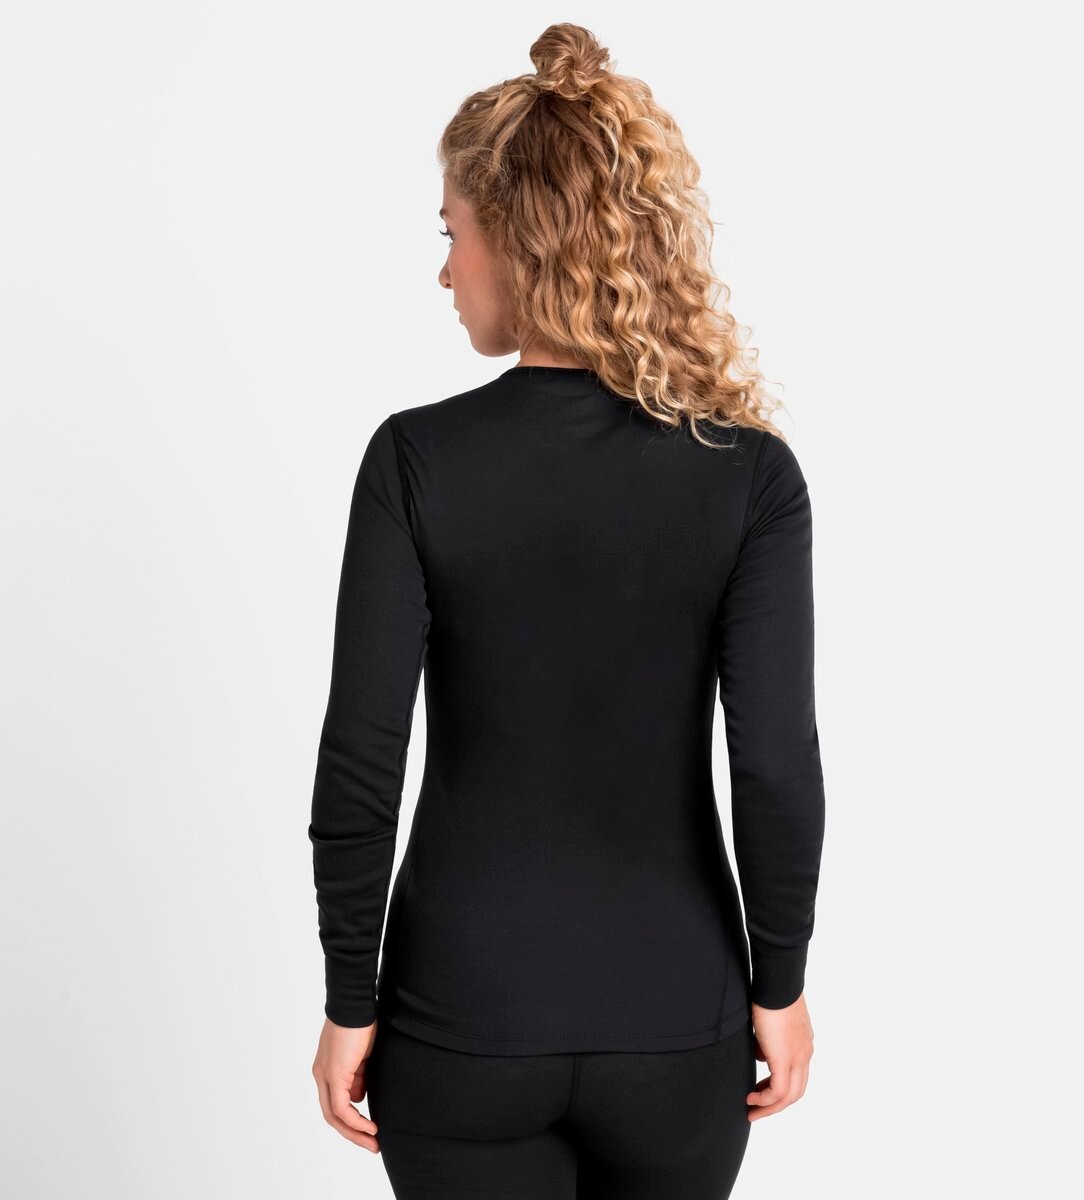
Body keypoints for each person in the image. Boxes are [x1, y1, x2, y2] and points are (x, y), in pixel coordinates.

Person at [308, 22, 826, 1200]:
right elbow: (776, 767)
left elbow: (359, 764)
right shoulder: (748, 475)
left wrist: (349, 1000)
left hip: (459, 1024)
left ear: (519, 238)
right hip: (678, 1029)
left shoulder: (415, 462)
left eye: (452, 234)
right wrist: (781, 982)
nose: (446, 272)